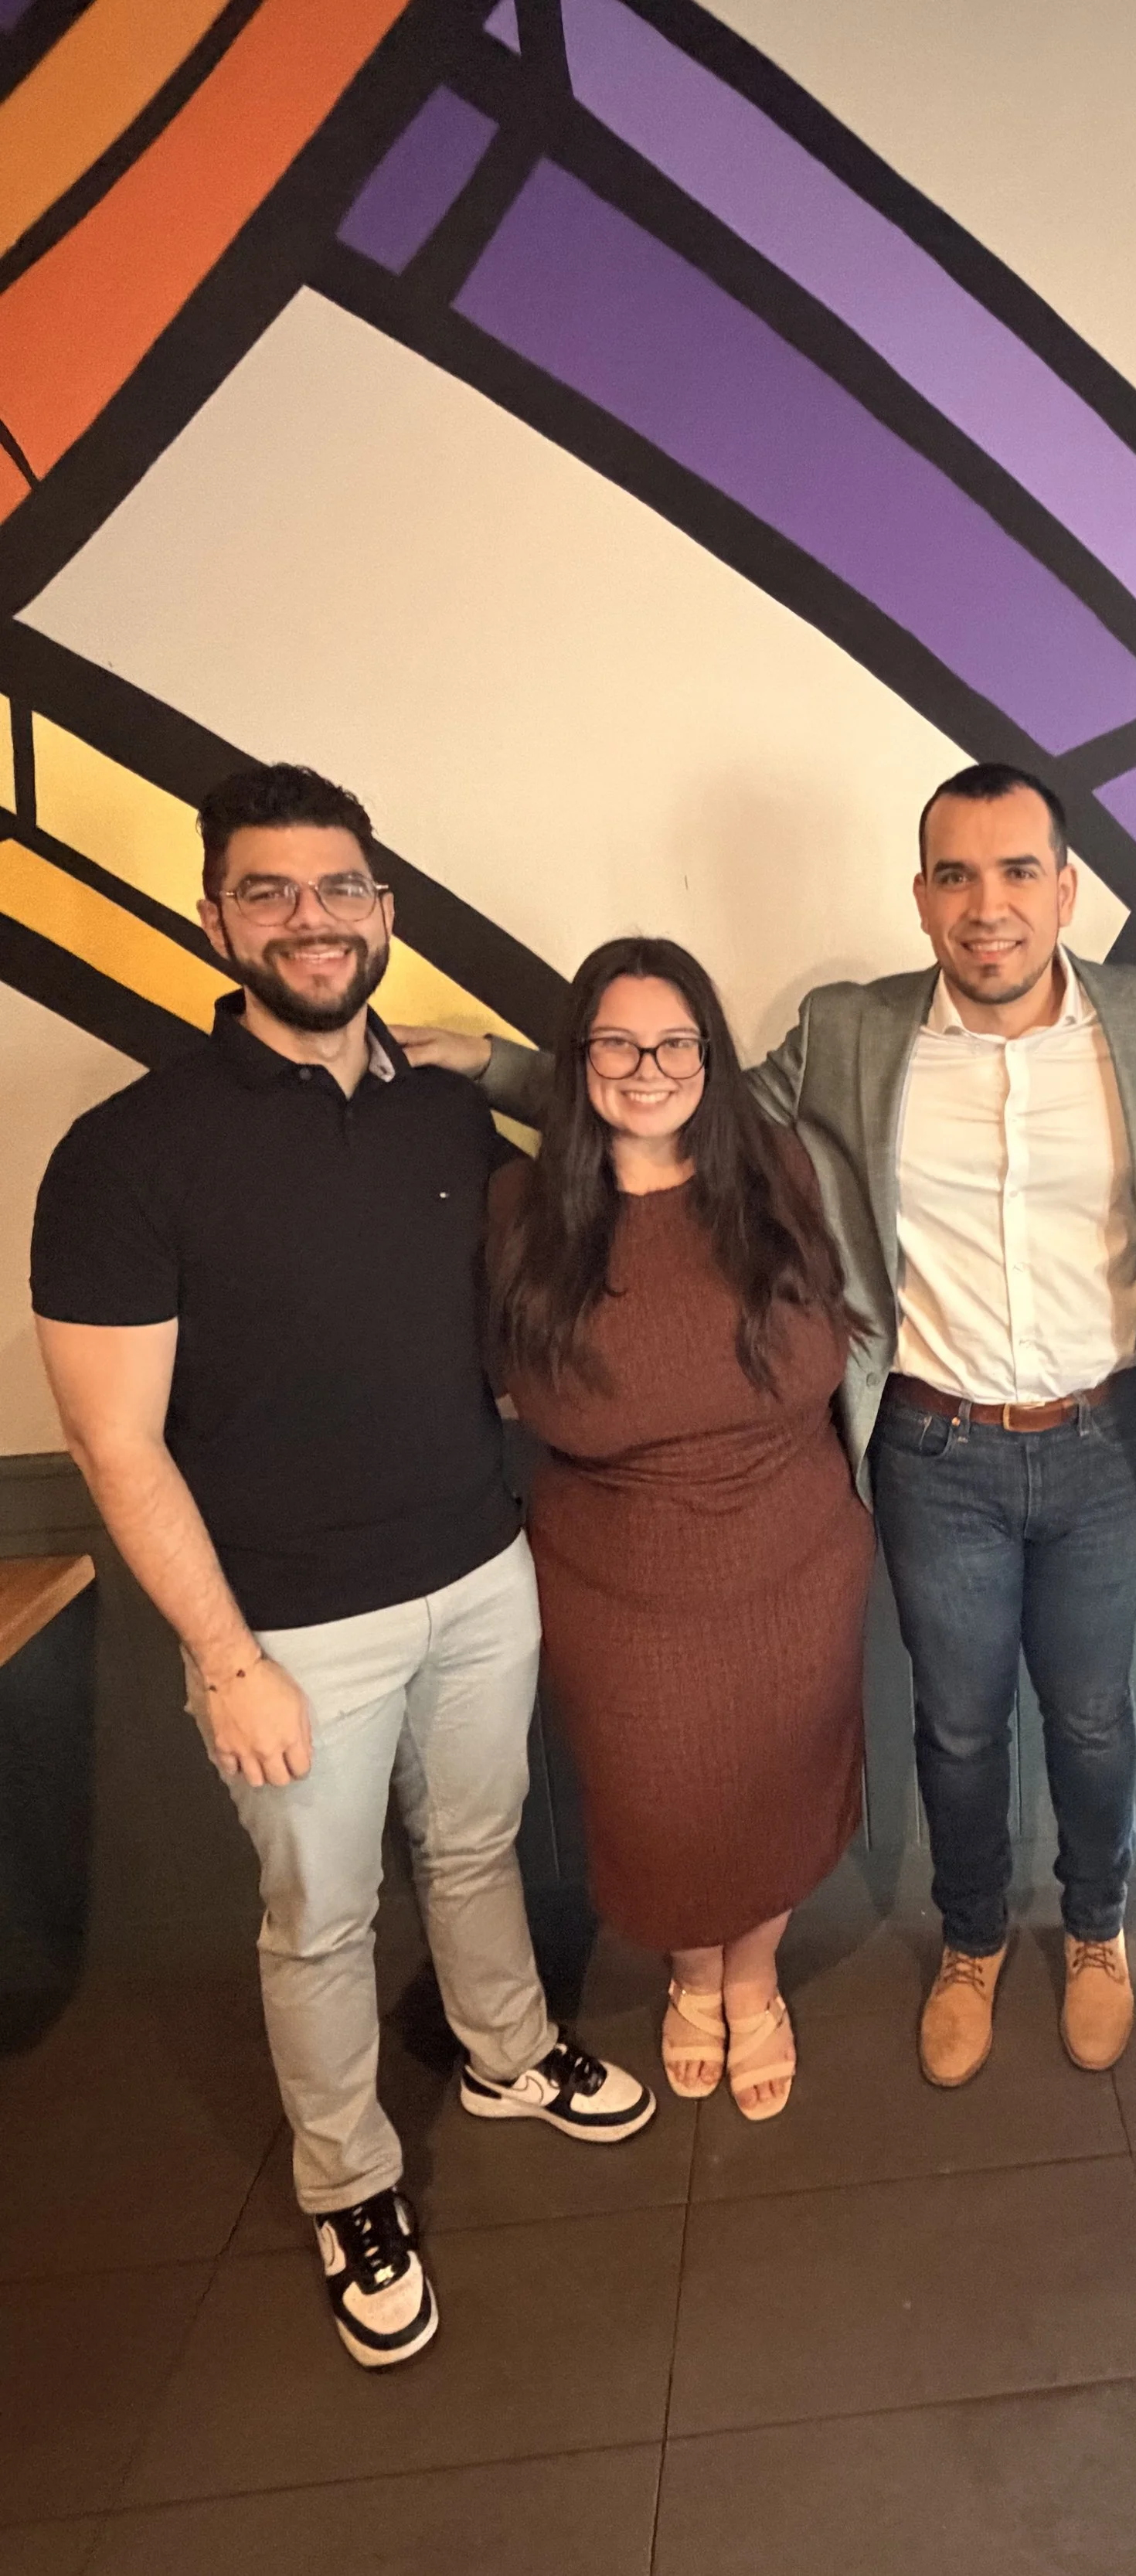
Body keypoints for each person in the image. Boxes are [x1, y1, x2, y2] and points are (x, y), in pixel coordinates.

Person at [400, 763, 1136, 2086]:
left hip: (1103, 1441)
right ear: (920, 898)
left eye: (1020, 872)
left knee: (1090, 1719)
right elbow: (690, 1104)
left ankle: (1095, 1933)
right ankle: (970, 1943)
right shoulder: (852, 1030)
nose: (990, 905)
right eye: (957, 875)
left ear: (1067, 889)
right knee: (959, 1724)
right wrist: (503, 1066)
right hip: (935, 1446)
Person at [30, 765, 651, 2374]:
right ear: (213, 915)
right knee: (318, 1915)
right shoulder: (126, 1151)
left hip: (478, 1565)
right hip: (287, 1623)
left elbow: (637, 1130)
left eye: (341, 890)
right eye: (270, 891)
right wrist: (225, 1657)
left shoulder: (450, 1108)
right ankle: (349, 2183)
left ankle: (506, 2051)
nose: (311, 919)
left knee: (478, 1844)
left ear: (385, 912)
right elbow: (115, 1444)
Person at [487, 936, 872, 2121]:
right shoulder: (519, 1208)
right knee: (657, 1798)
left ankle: (748, 1979)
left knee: (775, 1783)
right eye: (616, 1041)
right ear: (577, 1059)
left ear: (711, 1054)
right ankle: (688, 1969)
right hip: (612, 1577)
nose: (646, 1066)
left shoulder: (782, 1176)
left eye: (673, 1041)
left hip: (797, 1556)